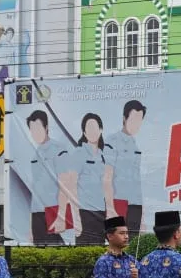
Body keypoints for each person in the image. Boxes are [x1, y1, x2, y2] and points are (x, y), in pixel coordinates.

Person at [70, 112, 117, 245]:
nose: (92, 131)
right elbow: (71, 185)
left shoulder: (104, 155)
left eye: (95, 127)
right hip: (84, 212)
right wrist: (76, 217)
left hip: (101, 213)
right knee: (84, 252)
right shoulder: (79, 153)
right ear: (84, 133)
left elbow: (107, 185)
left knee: (99, 250)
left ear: (101, 130)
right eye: (88, 128)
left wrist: (110, 210)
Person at [26, 110, 71, 245]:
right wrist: (30, 227)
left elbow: (64, 185)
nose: (35, 133)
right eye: (32, 130)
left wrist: (61, 216)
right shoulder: (35, 153)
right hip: (37, 211)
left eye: (38, 129)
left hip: (55, 209)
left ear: (46, 128)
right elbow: (35, 188)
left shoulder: (58, 149)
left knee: (57, 253)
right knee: (40, 253)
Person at [108, 100, 147, 234]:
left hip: (136, 204)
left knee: (134, 244)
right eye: (133, 119)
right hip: (120, 201)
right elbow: (107, 178)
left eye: (139, 120)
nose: (136, 124)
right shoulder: (112, 141)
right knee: (119, 241)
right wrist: (110, 208)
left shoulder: (136, 144)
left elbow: (137, 181)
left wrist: (143, 216)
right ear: (124, 118)